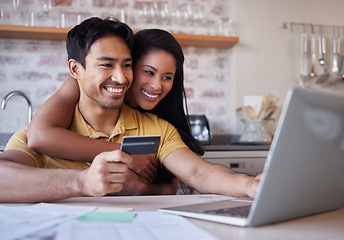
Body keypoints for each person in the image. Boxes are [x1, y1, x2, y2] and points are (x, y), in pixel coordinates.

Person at [0, 17, 260, 203]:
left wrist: (249, 184)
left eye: (126, 65)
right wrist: (83, 181)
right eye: (106, 64)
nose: (121, 78)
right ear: (75, 70)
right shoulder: (45, 130)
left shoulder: (158, 130)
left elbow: (198, 172)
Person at [27, 28, 204, 195]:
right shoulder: (79, 86)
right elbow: (39, 135)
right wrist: (127, 155)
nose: (157, 85)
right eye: (149, 72)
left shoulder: (158, 122)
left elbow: (170, 185)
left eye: (167, 77)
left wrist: (139, 188)